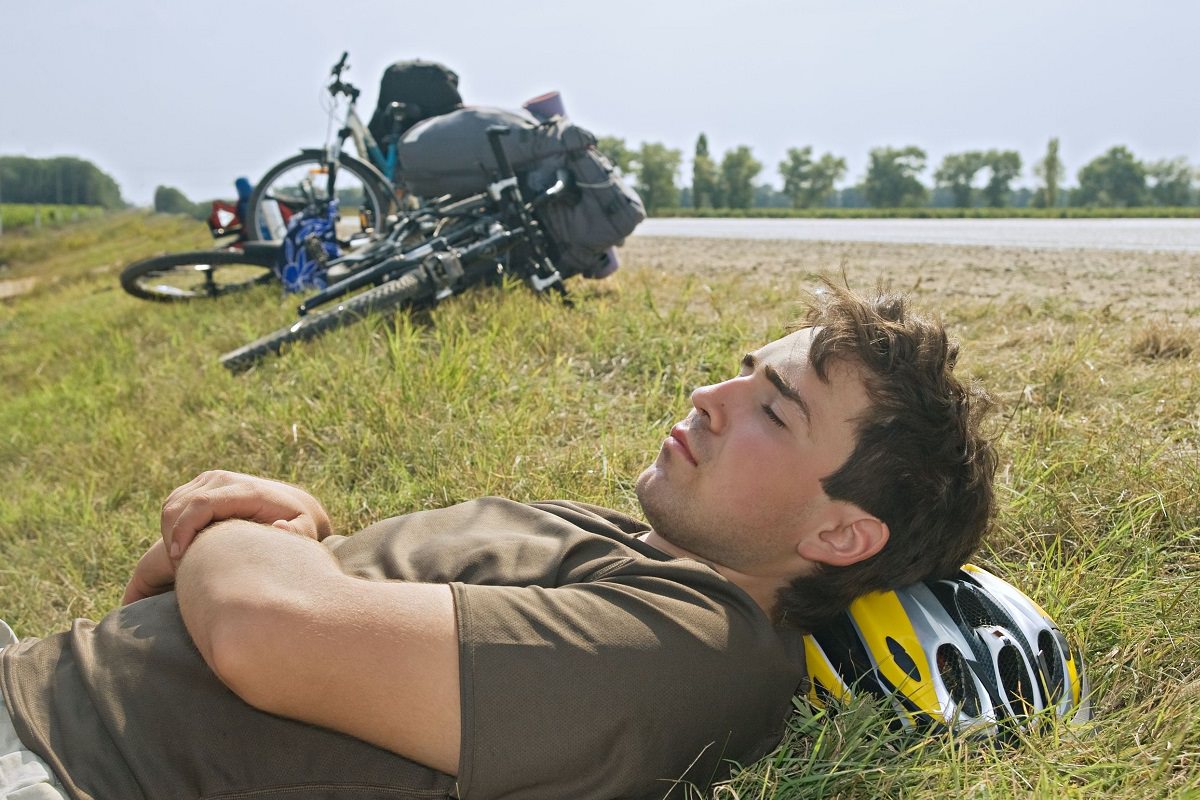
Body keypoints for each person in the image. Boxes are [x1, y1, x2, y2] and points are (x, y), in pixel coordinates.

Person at [0, 281, 996, 800]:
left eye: (774, 411)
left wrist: (258, 522)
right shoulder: (645, 556)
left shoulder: (693, 649)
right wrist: (244, 547)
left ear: (839, 531)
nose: (712, 395)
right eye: (743, 370)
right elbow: (201, 609)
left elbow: (267, 630)